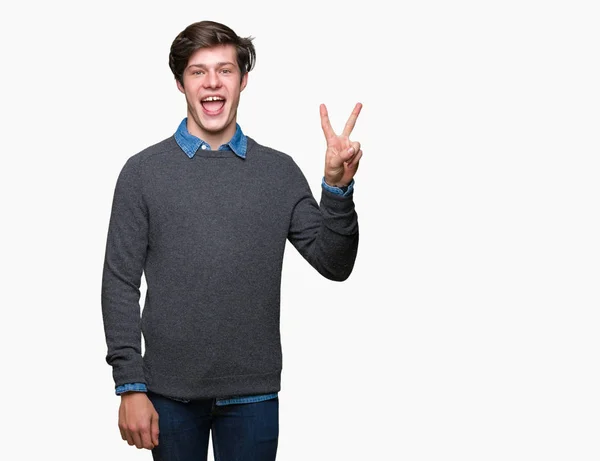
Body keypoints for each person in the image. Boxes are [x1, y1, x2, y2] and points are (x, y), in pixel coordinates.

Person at [101, 19, 363, 461]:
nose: (212, 82)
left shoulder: (277, 172)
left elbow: (334, 264)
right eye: (198, 71)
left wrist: (336, 189)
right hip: (167, 392)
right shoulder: (143, 172)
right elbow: (119, 283)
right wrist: (129, 385)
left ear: (243, 80)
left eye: (224, 70)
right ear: (181, 84)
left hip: (253, 394)